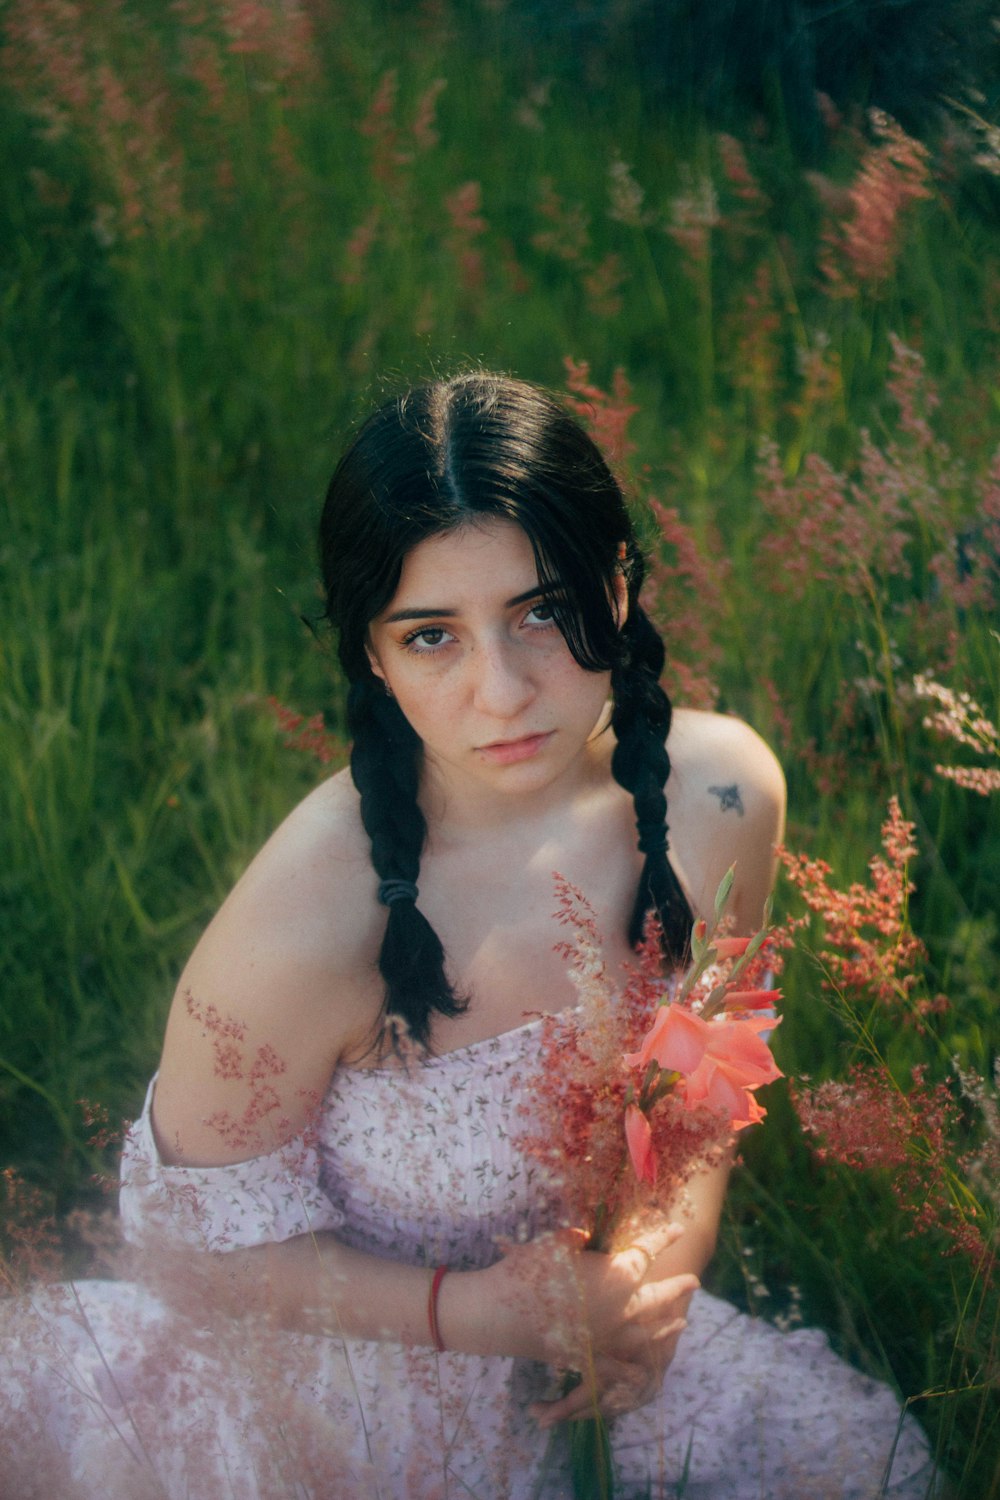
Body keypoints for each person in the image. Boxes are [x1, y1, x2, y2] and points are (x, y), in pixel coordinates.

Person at [3, 373, 939, 1499]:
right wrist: (480, 1314)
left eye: (542, 610)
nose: (502, 692)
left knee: (869, 1469)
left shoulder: (720, 796)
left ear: (621, 585)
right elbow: (184, 1253)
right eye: (432, 636)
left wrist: (647, 1278)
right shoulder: (307, 920)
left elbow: (703, 1099)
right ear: (372, 656)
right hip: (338, 1392)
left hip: (602, 1357)